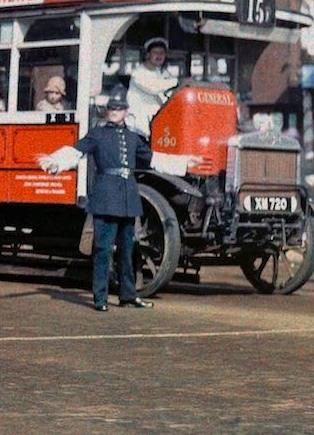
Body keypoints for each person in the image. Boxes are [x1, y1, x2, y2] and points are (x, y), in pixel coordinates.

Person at [37, 85, 199, 311]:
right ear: (106, 110)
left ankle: (128, 295)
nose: (114, 112)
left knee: (129, 249)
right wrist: (55, 162)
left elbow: (153, 159)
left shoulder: (133, 137)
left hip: (127, 199)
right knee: (103, 249)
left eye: (119, 108)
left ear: (125, 111)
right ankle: (100, 298)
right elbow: (77, 150)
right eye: (111, 108)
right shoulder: (97, 134)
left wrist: (184, 163)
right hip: (105, 197)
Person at [127, 37, 176, 138]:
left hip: (156, 127)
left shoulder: (164, 73)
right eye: (155, 52)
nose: (159, 56)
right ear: (148, 55)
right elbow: (154, 87)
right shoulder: (138, 72)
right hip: (137, 129)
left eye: (162, 52)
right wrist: (177, 81)